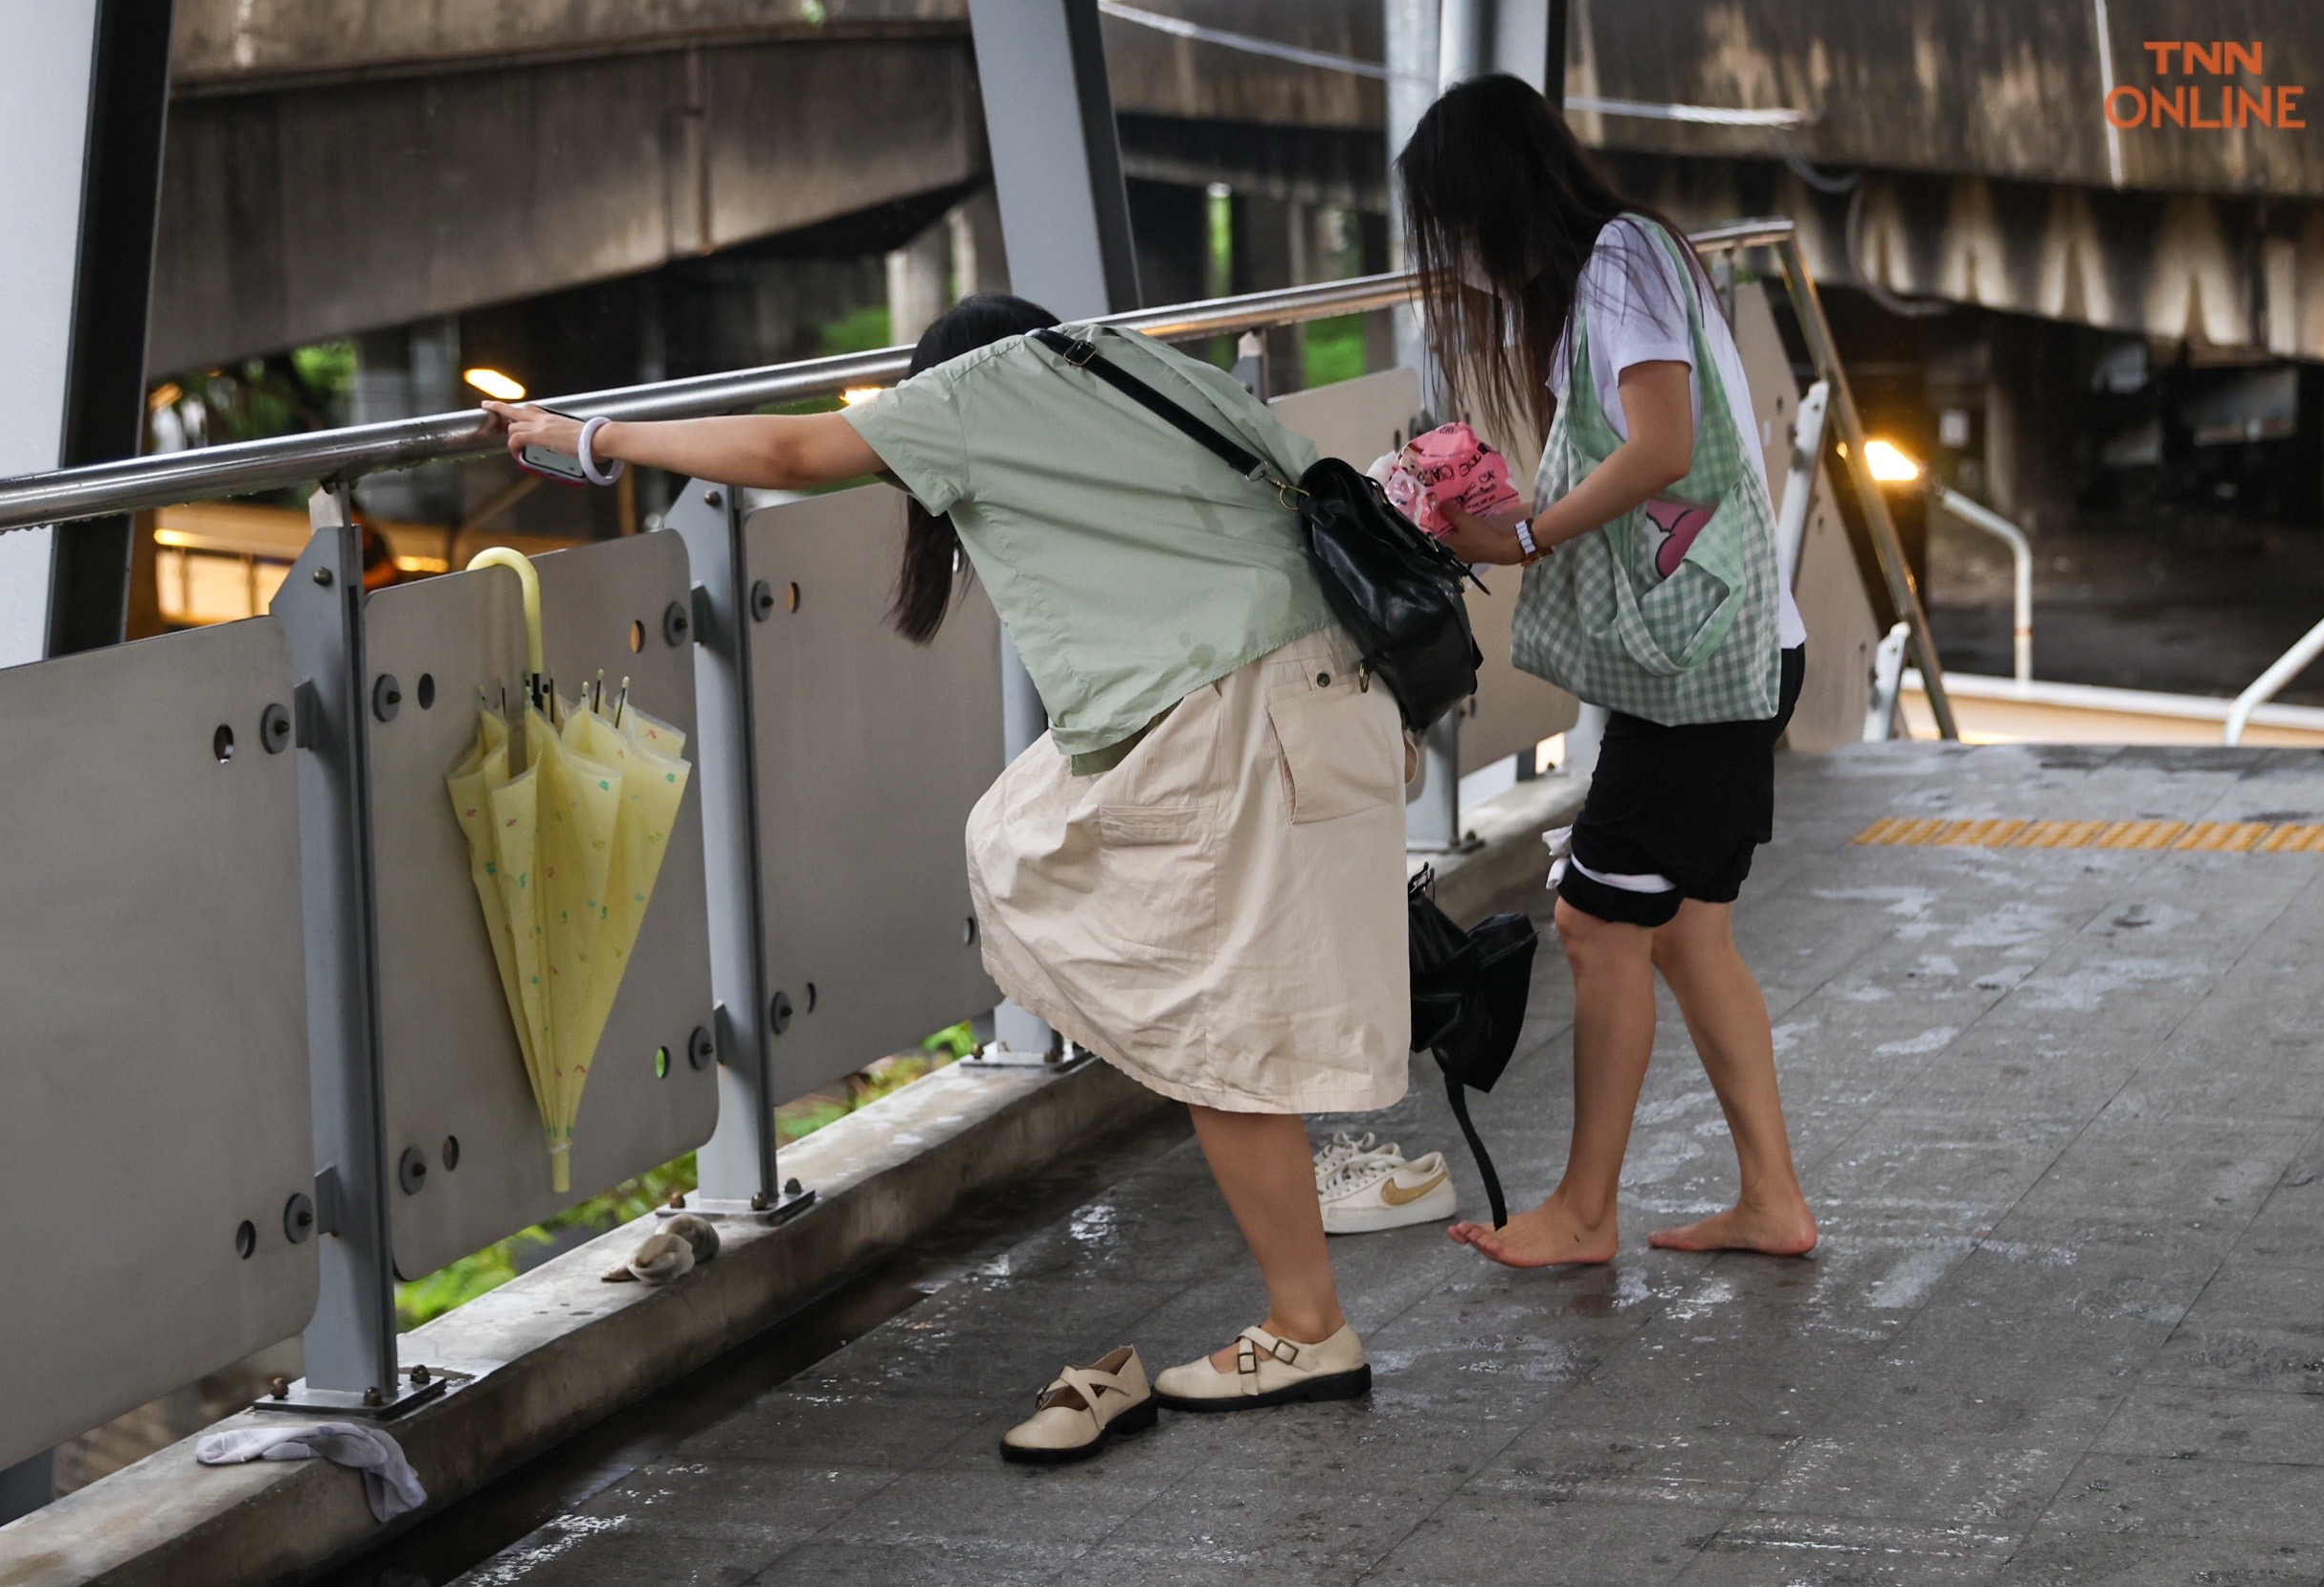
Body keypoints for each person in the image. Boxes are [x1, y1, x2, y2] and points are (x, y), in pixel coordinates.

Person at [485, 294, 1408, 1429]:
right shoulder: (1126, 360)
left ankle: (1306, 1329)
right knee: (1122, 923)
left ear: (941, 380)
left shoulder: (987, 389)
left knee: (1217, 1038)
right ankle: (1302, 1312)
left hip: (1232, 714)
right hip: (1326, 685)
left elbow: (787, 450)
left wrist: (589, 438)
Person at [1397, 75, 1819, 1267]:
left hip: (1698, 668)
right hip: (1727, 652)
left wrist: (1524, 533)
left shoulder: (1620, 263)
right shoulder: (1621, 267)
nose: (1453, 255)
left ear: (1485, 198)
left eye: (1448, 223)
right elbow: (1633, 451)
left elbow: (1665, 446)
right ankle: (1770, 1199)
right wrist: (1505, 507)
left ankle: (1584, 1212)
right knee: (1683, 932)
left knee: (1591, 920)